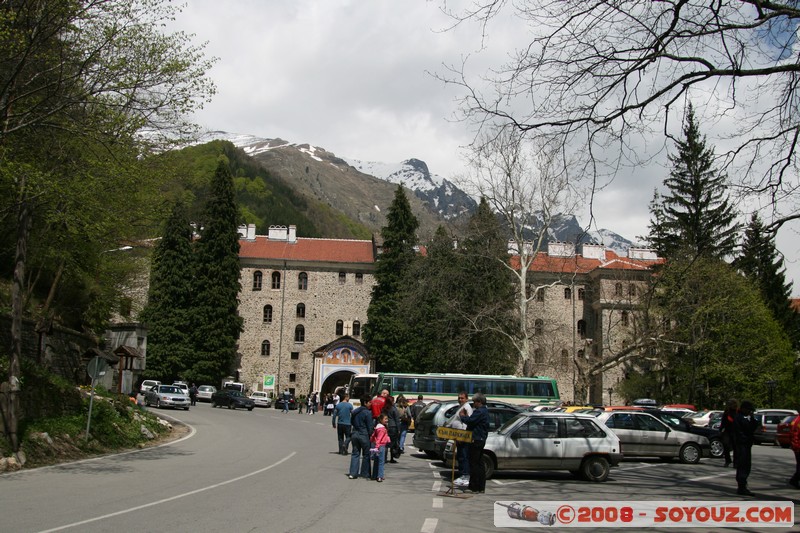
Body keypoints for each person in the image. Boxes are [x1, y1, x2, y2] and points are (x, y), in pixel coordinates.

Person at [460, 392, 490, 494]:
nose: (473, 404)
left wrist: (463, 416)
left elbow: (470, 421)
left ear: (479, 402)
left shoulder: (480, 411)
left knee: (474, 464)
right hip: (481, 439)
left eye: (474, 402)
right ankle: (481, 487)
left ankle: (474, 487)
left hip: (476, 439)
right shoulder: (485, 411)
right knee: (480, 464)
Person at [732, 400, 761, 496]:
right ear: (744, 409)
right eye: (748, 410)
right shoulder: (739, 417)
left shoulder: (747, 418)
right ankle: (741, 485)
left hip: (746, 443)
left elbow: (753, 427)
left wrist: (752, 418)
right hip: (741, 443)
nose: (749, 412)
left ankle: (743, 484)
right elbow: (744, 429)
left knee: (747, 464)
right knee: (743, 464)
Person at [447, 391, 473, 487]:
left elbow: (467, 422)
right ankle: (462, 475)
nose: (460, 399)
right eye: (459, 398)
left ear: (466, 399)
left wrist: (462, 436)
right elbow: (454, 420)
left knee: (464, 456)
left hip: (463, 437)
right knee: (460, 456)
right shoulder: (461, 407)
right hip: (458, 436)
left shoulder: (467, 408)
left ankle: (465, 476)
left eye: (462, 398)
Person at [348, 395, 374, 479]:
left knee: (355, 453)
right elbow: (370, 426)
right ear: (365, 403)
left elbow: (351, 422)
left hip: (355, 433)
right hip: (364, 434)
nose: (371, 404)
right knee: (366, 454)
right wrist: (372, 436)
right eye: (370, 402)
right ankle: (365, 473)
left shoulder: (355, 412)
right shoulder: (367, 412)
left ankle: (353, 473)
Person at [370, 413, 391, 482]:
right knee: (381, 462)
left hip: (377, 445)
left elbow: (373, 436)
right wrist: (377, 446)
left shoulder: (377, 427)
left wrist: (373, 441)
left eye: (387, 419)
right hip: (381, 446)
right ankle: (380, 476)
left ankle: (374, 475)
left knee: (376, 461)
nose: (386, 420)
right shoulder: (382, 429)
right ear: (381, 420)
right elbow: (379, 438)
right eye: (385, 419)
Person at [382, 395, 401, 463]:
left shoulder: (384, 408)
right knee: (393, 443)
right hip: (393, 427)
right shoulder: (393, 409)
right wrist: (399, 429)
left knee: (385, 443)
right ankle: (392, 458)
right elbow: (397, 420)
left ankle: (384, 458)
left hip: (386, 426)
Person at [720, 399, 738, 467]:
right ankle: (728, 460)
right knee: (725, 444)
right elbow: (723, 421)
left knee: (736, 447)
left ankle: (735, 462)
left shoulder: (737, 412)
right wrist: (720, 429)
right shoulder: (727, 412)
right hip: (727, 431)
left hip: (735, 431)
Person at [789, 407, 800, 489]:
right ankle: (794, 479)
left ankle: (795, 479)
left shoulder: (796, 420)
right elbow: (795, 435)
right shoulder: (798, 421)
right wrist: (796, 446)